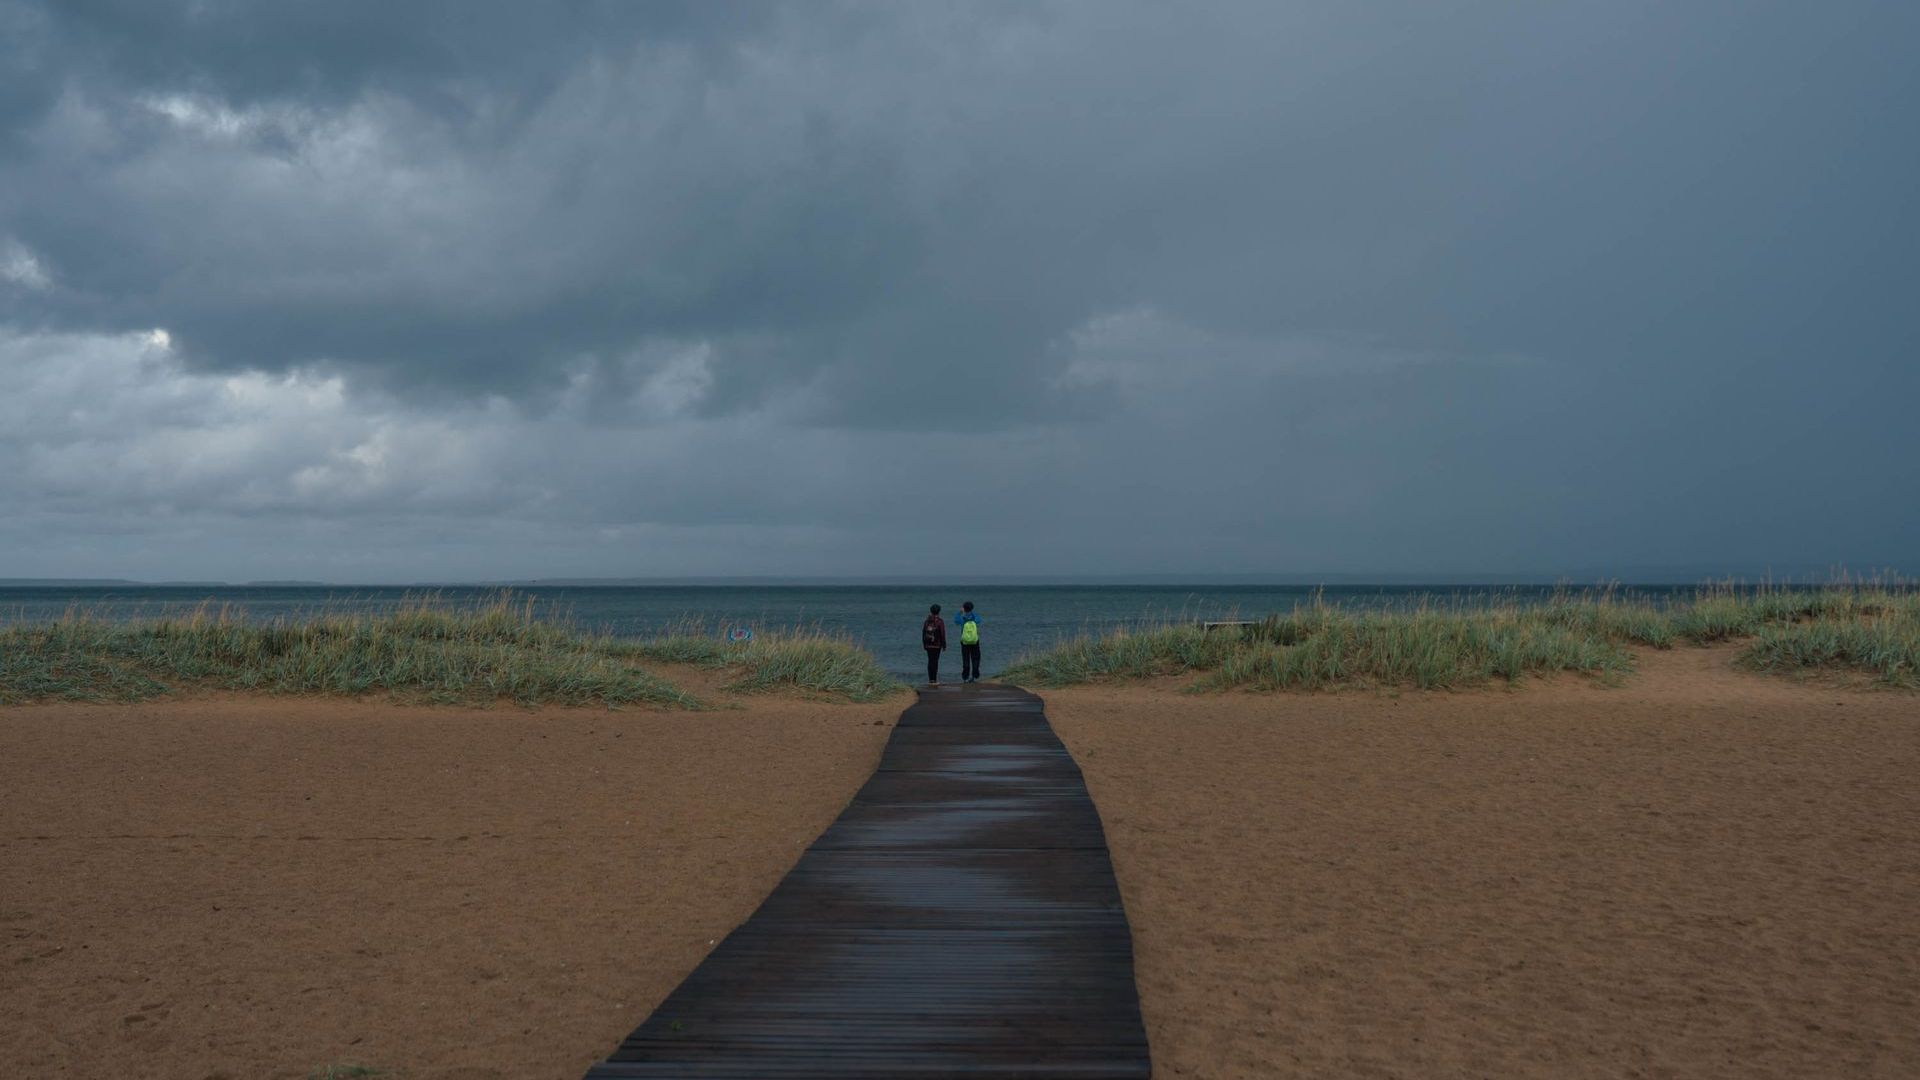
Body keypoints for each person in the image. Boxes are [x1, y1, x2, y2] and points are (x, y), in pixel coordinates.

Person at [954, 600, 982, 683]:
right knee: (976, 658)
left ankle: (965, 677)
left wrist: (959, 612)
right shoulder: (975, 617)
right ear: (972, 608)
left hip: (964, 641)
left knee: (965, 659)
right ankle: (974, 676)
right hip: (974, 640)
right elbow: (979, 620)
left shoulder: (962, 618)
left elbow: (956, 620)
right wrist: (972, 613)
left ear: (964, 608)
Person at [921, 603, 947, 685]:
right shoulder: (940, 621)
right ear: (939, 611)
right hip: (937, 645)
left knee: (930, 661)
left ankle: (930, 679)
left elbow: (923, 633)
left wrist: (924, 644)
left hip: (928, 644)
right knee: (935, 662)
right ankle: (934, 680)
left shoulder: (926, 621)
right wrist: (944, 645)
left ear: (931, 611)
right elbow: (942, 634)